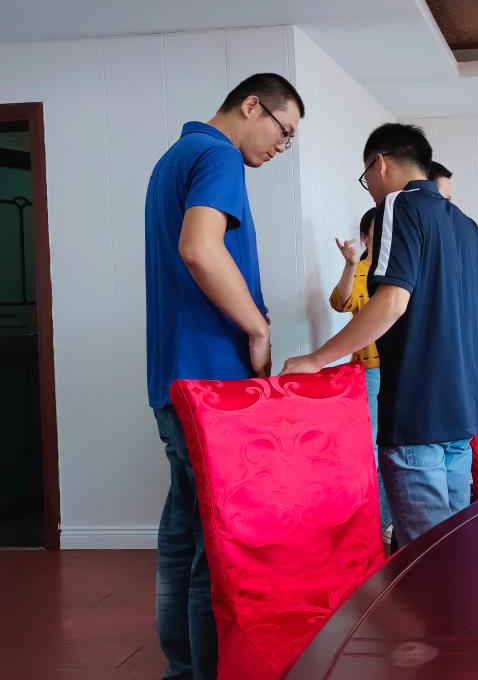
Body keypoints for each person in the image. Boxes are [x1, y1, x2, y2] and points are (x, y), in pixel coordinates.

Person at [282, 124, 478, 547]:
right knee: (454, 546)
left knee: (423, 558)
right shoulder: (467, 225)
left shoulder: (398, 204)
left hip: (416, 410)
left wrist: (317, 358)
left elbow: (391, 302)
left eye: (366, 177)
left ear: (381, 164)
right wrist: (456, 348)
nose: (370, 188)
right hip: (463, 412)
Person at [145, 72, 304, 678]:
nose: (282, 147)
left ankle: (182, 669)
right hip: (211, 381)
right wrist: (257, 329)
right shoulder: (218, 156)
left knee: (182, 532)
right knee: (214, 543)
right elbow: (200, 247)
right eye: (284, 131)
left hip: (173, 377)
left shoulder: (173, 158)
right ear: (252, 105)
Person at [329, 207, 393, 543]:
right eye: (378, 230)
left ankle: (388, 520)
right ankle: (375, 524)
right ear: (366, 237)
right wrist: (350, 264)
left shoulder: (401, 268)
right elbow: (340, 303)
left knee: (399, 447)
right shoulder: (363, 271)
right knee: (373, 447)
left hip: (405, 369)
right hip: (372, 370)